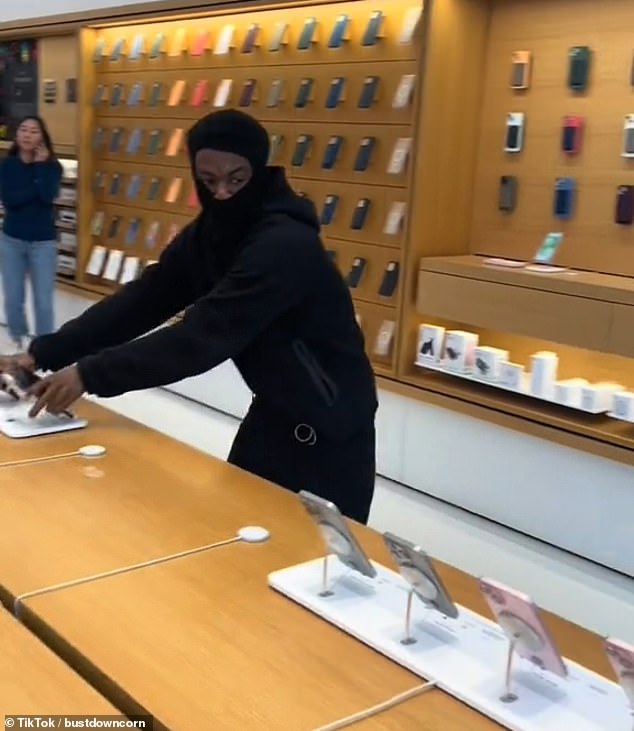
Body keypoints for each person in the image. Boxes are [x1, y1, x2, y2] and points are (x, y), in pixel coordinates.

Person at [0, 109, 378, 524]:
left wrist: (88, 374)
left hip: (331, 431)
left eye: (236, 179)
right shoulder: (211, 232)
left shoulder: (285, 244)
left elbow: (202, 337)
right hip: (272, 414)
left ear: (258, 169)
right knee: (231, 539)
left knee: (319, 564)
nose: (221, 193)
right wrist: (42, 353)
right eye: (208, 180)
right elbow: (143, 300)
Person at [0, 116, 62, 350]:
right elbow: (10, 201)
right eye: (23, 130)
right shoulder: (7, 165)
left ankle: (45, 348)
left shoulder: (52, 167)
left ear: (42, 137)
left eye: (33, 131)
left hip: (43, 242)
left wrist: (39, 166)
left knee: (44, 302)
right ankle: (19, 340)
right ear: (16, 136)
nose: (27, 135)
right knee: (13, 298)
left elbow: (47, 196)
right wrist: (35, 188)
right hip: (11, 239)